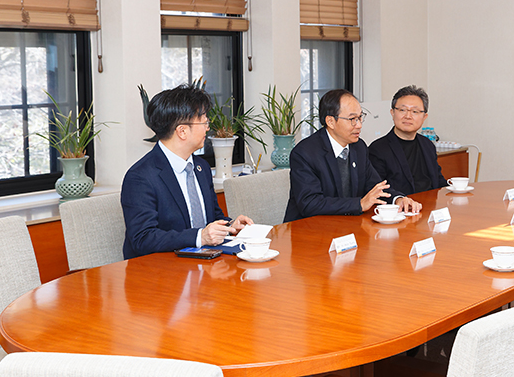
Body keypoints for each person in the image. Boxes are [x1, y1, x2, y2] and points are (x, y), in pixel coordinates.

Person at [121, 84, 253, 259]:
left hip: (203, 265)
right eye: (204, 121)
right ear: (182, 131)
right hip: (160, 272)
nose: (208, 127)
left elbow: (213, 216)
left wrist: (230, 225)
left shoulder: (201, 167)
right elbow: (143, 239)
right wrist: (200, 237)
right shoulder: (140, 177)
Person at [283, 89, 422, 222]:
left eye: (360, 117)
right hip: (307, 231)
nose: (359, 125)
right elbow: (309, 203)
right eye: (352, 119)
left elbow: (375, 186)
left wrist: (397, 199)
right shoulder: (305, 153)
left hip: (345, 226)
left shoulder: (358, 147)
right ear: (330, 121)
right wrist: (359, 204)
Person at [368, 85, 448, 195]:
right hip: (401, 209)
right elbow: (377, 189)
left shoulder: (428, 145)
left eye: (415, 111)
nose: (408, 116)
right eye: (402, 110)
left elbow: (438, 181)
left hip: (430, 206)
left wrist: (454, 190)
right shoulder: (378, 149)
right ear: (392, 113)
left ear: (424, 117)